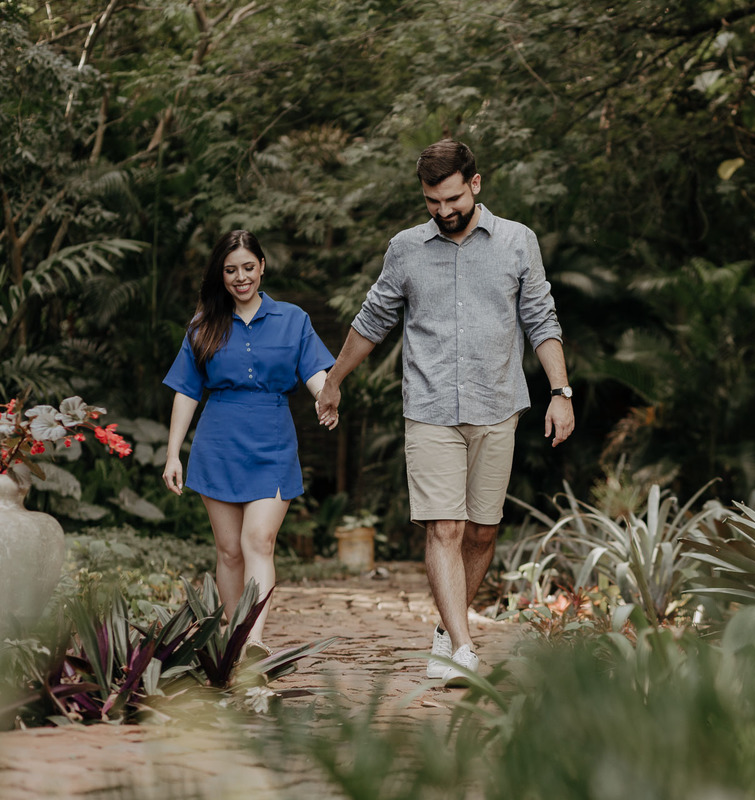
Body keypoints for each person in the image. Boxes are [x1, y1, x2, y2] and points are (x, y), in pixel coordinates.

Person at [314, 139, 574, 685]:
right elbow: (373, 320)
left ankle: (445, 630)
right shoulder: (406, 250)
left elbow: (541, 320)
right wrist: (334, 381)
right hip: (430, 407)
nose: (443, 211)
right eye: (432, 201)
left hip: (497, 405)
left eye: (452, 198)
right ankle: (461, 647)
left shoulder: (517, 242)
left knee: (482, 532)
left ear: (475, 184)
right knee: (445, 527)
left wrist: (560, 391)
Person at [163, 229, 337, 657]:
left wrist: (324, 397)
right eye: (230, 270)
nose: (240, 277)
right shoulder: (204, 324)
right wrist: (172, 454)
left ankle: (253, 639)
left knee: (258, 540)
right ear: (220, 275)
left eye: (247, 267)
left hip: (272, 442)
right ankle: (232, 637)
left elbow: (316, 370)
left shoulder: (293, 319)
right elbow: (186, 391)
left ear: (262, 267)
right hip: (217, 443)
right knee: (228, 550)